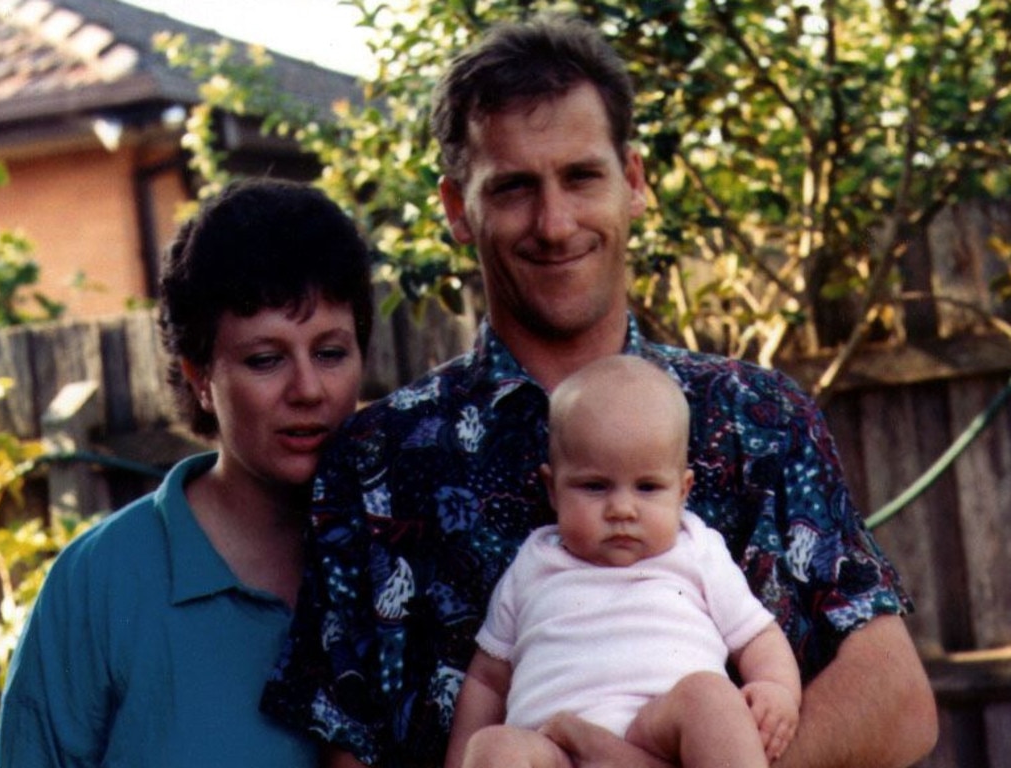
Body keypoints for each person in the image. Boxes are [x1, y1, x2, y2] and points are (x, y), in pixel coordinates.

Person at [262, 13, 937, 768]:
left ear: (634, 183)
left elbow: (897, 701)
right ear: (457, 208)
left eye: (581, 176)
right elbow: (349, 747)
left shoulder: (760, 419)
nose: (554, 224)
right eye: (514, 187)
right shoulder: (377, 462)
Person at [0, 178, 374, 767]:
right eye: (265, 360)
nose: (309, 389)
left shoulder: (411, 553)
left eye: (330, 353)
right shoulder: (100, 585)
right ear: (199, 376)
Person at [445, 355, 801, 768]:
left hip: (660, 733)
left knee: (711, 698)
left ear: (683, 491)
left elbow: (757, 635)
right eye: (595, 486)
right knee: (492, 748)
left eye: (648, 487)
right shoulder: (533, 563)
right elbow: (487, 680)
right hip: (551, 748)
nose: (622, 509)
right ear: (553, 488)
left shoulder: (696, 550)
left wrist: (776, 689)